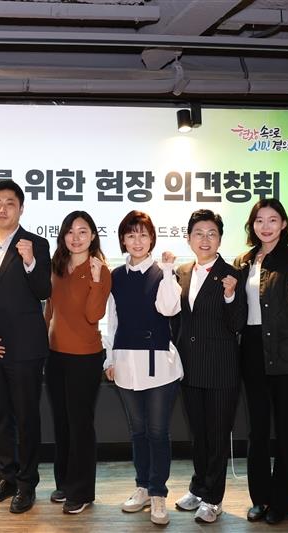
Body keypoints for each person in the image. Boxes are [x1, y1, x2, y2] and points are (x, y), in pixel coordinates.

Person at [0, 179, 51, 514]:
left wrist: (30, 262)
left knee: (27, 418)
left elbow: (44, 290)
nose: (3, 209)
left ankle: (27, 483)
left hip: (25, 350)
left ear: (21, 208)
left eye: (10, 203)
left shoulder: (36, 244)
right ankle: (7, 477)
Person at [233, 198, 288, 525]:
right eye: (259, 220)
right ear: (252, 225)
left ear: (283, 224)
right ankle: (260, 499)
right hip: (252, 349)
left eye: (272, 220)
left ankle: (283, 502)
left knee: (285, 431)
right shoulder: (243, 260)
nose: (265, 226)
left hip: (286, 350)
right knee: (257, 431)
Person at [163, 209, 246, 524]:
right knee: (198, 434)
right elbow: (176, 319)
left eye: (212, 233)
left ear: (220, 238)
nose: (205, 239)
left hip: (221, 369)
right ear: (188, 238)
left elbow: (237, 324)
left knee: (216, 437)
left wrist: (230, 295)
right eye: (198, 233)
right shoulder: (181, 272)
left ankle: (213, 499)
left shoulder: (232, 274)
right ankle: (198, 488)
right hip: (189, 368)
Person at [104, 210, 182, 526]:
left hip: (160, 363)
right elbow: (111, 321)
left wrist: (168, 271)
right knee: (137, 431)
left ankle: (158, 492)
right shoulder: (115, 275)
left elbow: (169, 308)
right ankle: (142, 488)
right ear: (123, 240)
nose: (137, 241)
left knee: (157, 431)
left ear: (152, 239)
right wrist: (109, 359)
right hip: (125, 362)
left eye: (143, 235)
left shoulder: (164, 272)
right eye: (131, 235)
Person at [44, 210, 111, 515]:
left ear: (93, 236)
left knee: (80, 424)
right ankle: (65, 482)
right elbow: (50, 311)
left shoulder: (100, 270)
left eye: (83, 231)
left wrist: (96, 280)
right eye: (70, 231)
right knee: (61, 421)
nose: (76, 237)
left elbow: (94, 314)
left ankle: (82, 491)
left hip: (85, 357)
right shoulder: (57, 266)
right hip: (55, 355)